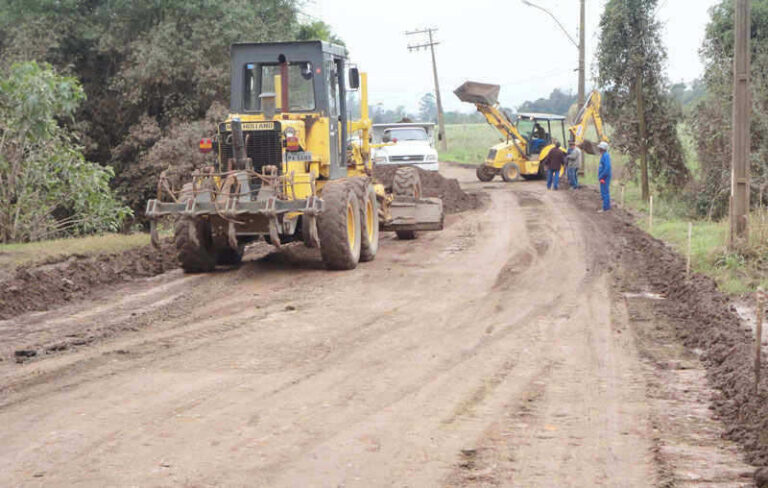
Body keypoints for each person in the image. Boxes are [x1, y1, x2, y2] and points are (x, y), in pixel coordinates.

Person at [597, 141, 612, 211]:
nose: (599, 149)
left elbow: (607, 168)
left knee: (605, 192)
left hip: (604, 177)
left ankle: (605, 208)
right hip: (603, 177)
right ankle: (607, 206)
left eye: (600, 148)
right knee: (604, 192)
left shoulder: (606, 156)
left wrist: (602, 176)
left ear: (602, 148)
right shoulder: (604, 155)